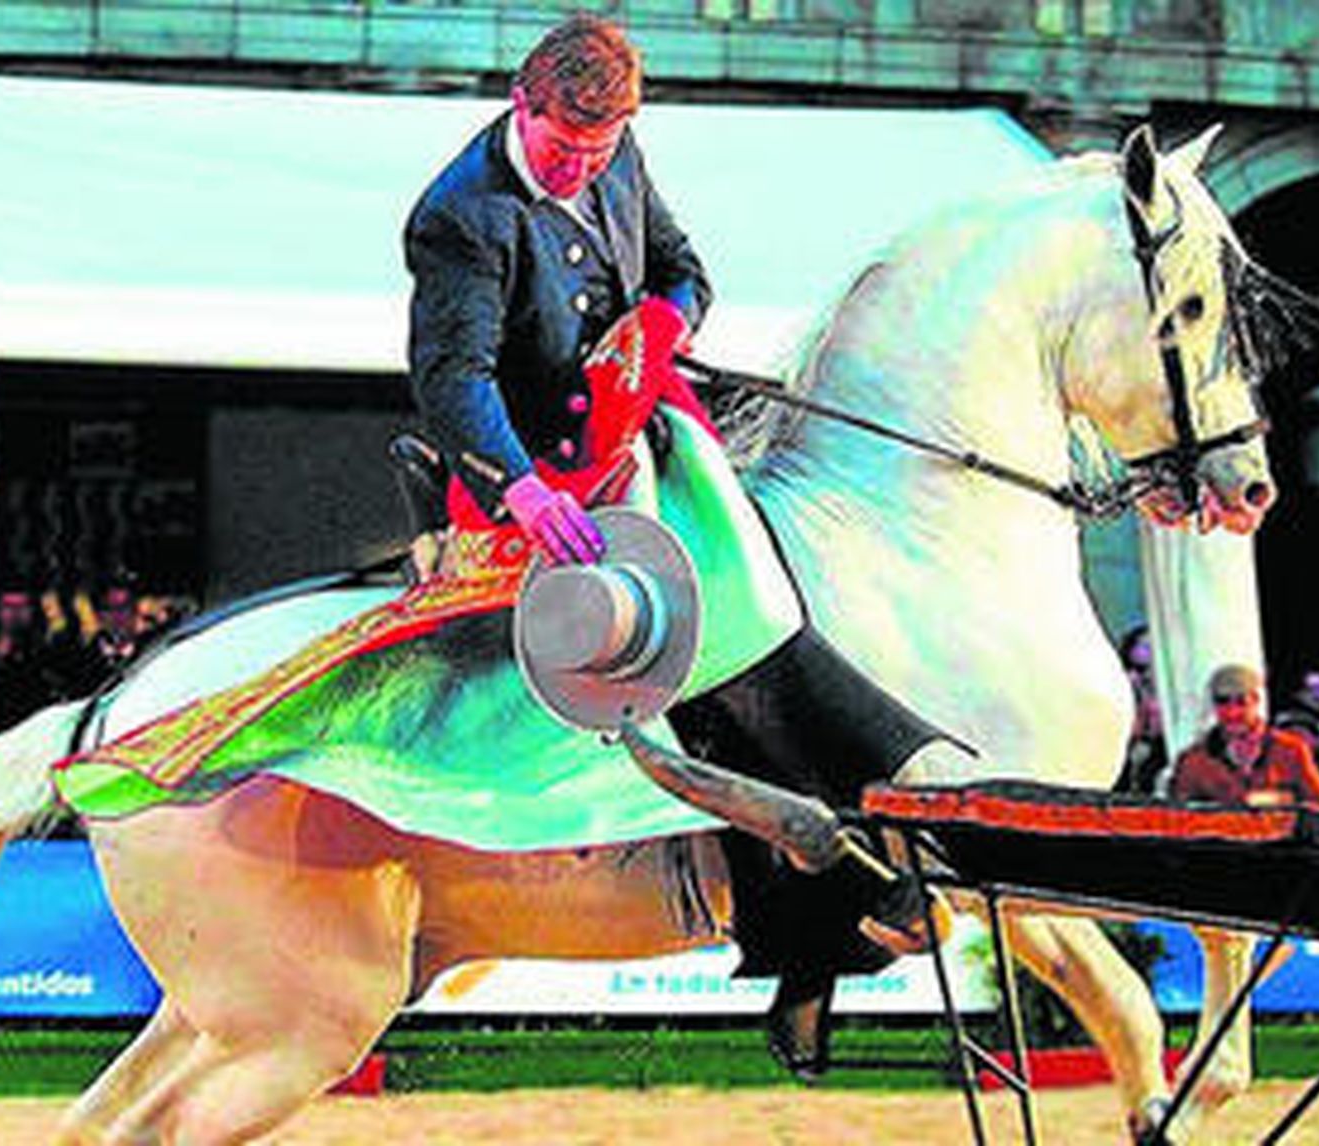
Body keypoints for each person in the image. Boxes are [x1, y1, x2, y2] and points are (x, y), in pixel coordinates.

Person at [404, 13, 951, 1079]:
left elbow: (681, 268)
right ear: (525, 105)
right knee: (683, 654)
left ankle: (859, 860)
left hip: (644, 440)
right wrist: (520, 487)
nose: (582, 169)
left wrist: (667, 322)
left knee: (771, 595)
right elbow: (451, 379)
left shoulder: (622, 152)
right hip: (535, 485)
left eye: (600, 154)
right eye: (565, 150)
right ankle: (794, 909)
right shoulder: (456, 217)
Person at [1169, 664, 1319, 812]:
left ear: (1256, 701)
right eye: (1223, 703)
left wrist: (1280, 800)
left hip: (1279, 844)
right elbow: (1179, 815)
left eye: (1241, 702)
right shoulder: (1194, 760)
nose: (1232, 713)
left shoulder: (1290, 749)